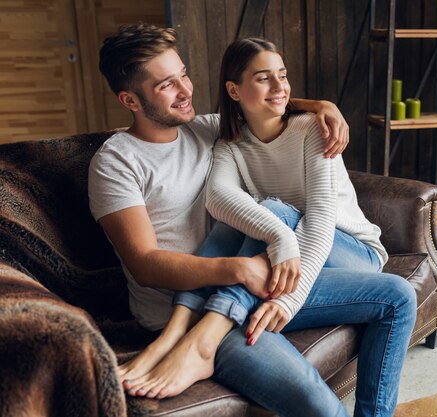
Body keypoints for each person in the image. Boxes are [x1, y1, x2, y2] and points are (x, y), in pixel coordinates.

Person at [90, 23, 416, 417]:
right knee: (320, 407)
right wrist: (240, 269)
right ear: (131, 100)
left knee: (392, 293)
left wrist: (321, 106)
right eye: (166, 85)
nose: (185, 90)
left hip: (248, 285)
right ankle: (184, 340)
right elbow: (144, 265)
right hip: (190, 303)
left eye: (184, 75)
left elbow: (263, 102)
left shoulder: (205, 128)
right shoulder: (116, 161)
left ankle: (202, 338)